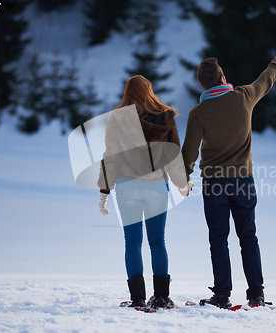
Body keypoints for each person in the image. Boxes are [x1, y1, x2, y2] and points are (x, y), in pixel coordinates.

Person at [181, 49, 276, 308]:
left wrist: (183, 179)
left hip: (215, 184)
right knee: (248, 237)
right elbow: (265, 80)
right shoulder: (243, 97)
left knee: (218, 240)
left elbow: (188, 153)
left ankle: (221, 295)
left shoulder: (198, 113)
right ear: (222, 77)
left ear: (202, 84)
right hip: (243, 181)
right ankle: (256, 295)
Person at [96, 75, 193, 309]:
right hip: (157, 187)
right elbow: (173, 155)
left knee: (132, 243)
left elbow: (110, 157)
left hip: (127, 188)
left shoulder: (117, 118)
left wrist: (103, 192)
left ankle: (138, 299)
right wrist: (182, 183)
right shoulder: (166, 116)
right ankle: (161, 298)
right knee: (158, 242)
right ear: (150, 91)